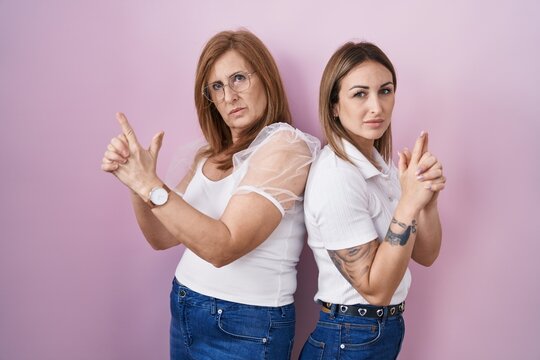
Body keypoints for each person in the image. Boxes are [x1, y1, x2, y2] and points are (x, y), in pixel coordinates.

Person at [101, 30, 319, 360]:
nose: (229, 95)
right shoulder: (207, 155)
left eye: (239, 78)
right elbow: (161, 235)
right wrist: (137, 181)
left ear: (267, 79)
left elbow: (224, 247)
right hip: (186, 305)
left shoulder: (286, 145)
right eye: (217, 86)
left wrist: (150, 186)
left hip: (245, 325)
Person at [299, 41, 446, 359]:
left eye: (385, 90)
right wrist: (408, 203)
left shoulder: (380, 166)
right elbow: (376, 290)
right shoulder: (337, 176)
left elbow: (426, 254)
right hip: (349, 337)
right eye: (360, 94)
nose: (377, 107)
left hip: (379, 333)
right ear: (334, 106)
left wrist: (426, 200)